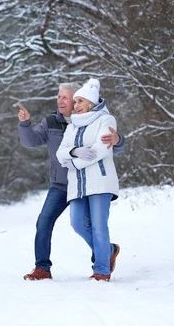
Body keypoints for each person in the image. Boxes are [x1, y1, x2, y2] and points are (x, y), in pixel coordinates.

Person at [18, 81, 125, 281]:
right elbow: (32, 141)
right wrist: (25, 124)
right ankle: (42, 268)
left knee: (95, 224)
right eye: (60, 97)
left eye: (66, 97)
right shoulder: (52, 122)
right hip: (62, 185)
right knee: (45, 221)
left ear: (85, 100)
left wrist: (119, 140)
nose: (61, 101)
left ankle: (101, 263)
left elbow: (109, 146)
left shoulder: (99, 120)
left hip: (89, 182)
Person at [56, 78, 120, 281]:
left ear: (91, 103)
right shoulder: (72, 125)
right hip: (77, 184)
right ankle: (108, 250)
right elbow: (60, 153)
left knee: (99, 226)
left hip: (100, 181)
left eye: (80, 101)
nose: (76, 106)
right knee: (77, 223)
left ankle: (101, 270)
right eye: (75, 102)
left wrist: (73, 162)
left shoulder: (106, 120)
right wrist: (75, 150)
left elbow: (99, 150)